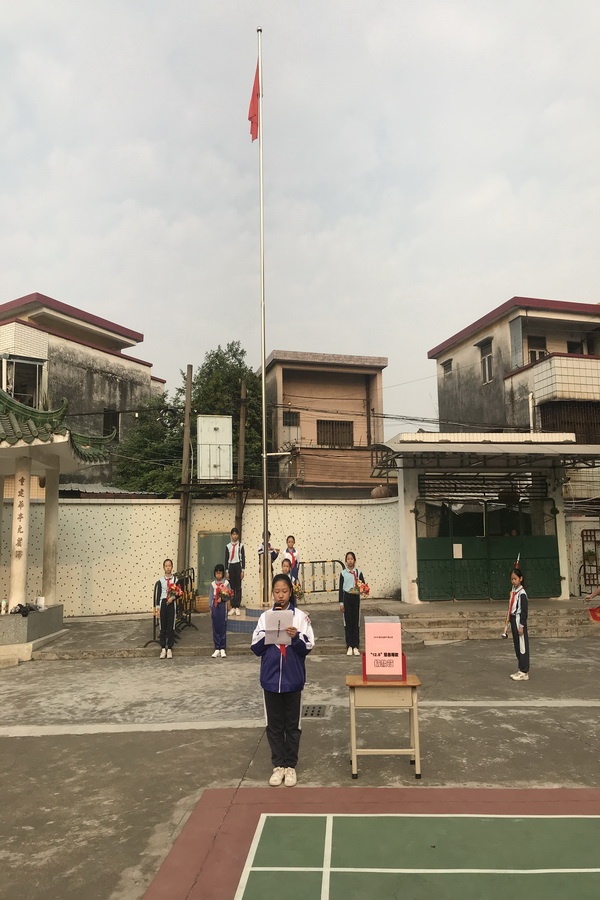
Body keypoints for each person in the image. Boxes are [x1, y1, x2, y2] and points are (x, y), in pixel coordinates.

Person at [251, 573, 315, 787]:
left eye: (284, 591)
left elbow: (308, 646)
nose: (281, 595)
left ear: (291, 592)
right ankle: (278, 765)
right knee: (274, 725)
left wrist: (295, 637)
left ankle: (291, 766)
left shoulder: (301, 617)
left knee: (292, 725)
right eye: (277, 591)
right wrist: (269, 634)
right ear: (272, 593)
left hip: (293, 679)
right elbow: (255, 647)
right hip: (270, 680)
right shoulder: (265, 617)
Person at [339, 551, 366, 657]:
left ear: (354, 560)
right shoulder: (343, 573)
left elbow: (363, 585)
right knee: (348, 621)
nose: (350, 561)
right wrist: (341, 603)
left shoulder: (358, 572)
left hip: (356, 598)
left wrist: (363, 590)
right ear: (346, 561)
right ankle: (349, 646)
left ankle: (356, 646)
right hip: (347, 597)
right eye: (348, 559)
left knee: (356, 622)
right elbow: (341, 589)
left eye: (351, 559)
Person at [506, 566, 529, 681]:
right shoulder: (514, 591)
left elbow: (524, 611)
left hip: (519, 621)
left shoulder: (522, 594)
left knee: (522, 646)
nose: (513, 581)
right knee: (517, 645)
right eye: (512, 579)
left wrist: (521, 626)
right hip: (513, 620)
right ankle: (520, 668)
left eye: (515, 579)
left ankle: (524, 671)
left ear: (521, 579)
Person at [154, 558, 177, 659]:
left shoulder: (175, 580)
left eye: (169, 566)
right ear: (164, 568)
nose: (168, 568)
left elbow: (179, 593)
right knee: (162, 625)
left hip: (171, 603)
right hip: (163, 602)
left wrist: (173, 597)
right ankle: (163, 648)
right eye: (166, 566)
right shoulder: (160, 581)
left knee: (171, 625)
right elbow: (158, 595)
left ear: (172, 567)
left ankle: (170, 648)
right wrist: (157, 609)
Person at [209, 564, 231, 658]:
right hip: (215, 606)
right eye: (217, 573)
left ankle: (222, 647)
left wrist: (222, 599)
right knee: (215, 626)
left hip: (222, 606)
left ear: (223, 574)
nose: (218, 575)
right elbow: (210, 596)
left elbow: (229, 595)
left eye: (220, 573)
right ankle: (216, 648)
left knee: (222, 626)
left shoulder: (226, 583)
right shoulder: (212, 584)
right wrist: (210, 607)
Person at [225, 528, 245, 616]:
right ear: (231, 535)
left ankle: (237, 606)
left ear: (238, 535)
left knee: (238, 587)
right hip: (231, 566)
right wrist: (227, 571)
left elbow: (243, 558)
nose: (235, 536)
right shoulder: (228, 546)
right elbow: (226, 559)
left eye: (236, 534)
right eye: (233, 534)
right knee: (231, 587)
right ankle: (232, 606)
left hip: (238, 566)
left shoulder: (241, 545)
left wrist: (243, 570)